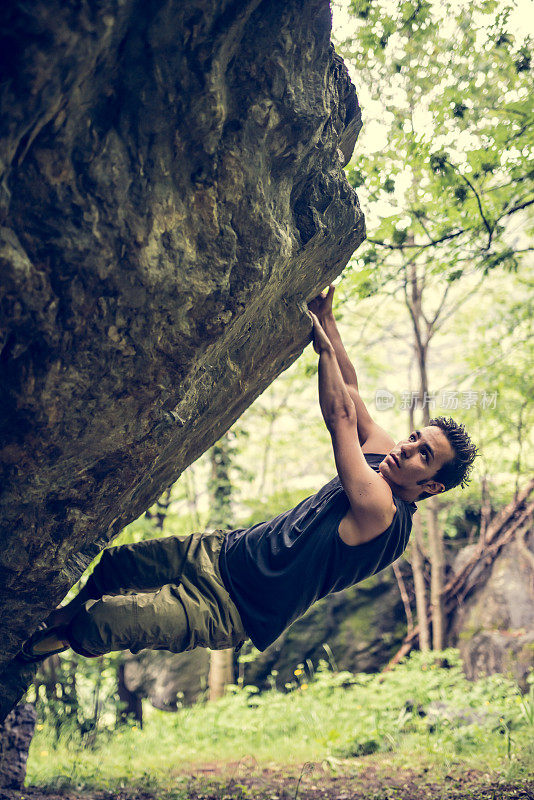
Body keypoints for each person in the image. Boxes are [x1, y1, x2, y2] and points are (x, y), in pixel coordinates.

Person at [19, 285, 477, 662]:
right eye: (416, 437)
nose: (407, 446)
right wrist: (329, 322)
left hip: (228, 609)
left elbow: (339, 417)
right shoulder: (384, 456)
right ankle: (62, 616)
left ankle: (40, 644)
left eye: (424, 455)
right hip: (223, 550)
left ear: (432, 485)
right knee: (117, 564)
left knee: (102, 624)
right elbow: (353, 392)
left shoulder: (383, 512)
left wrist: (321, 351)